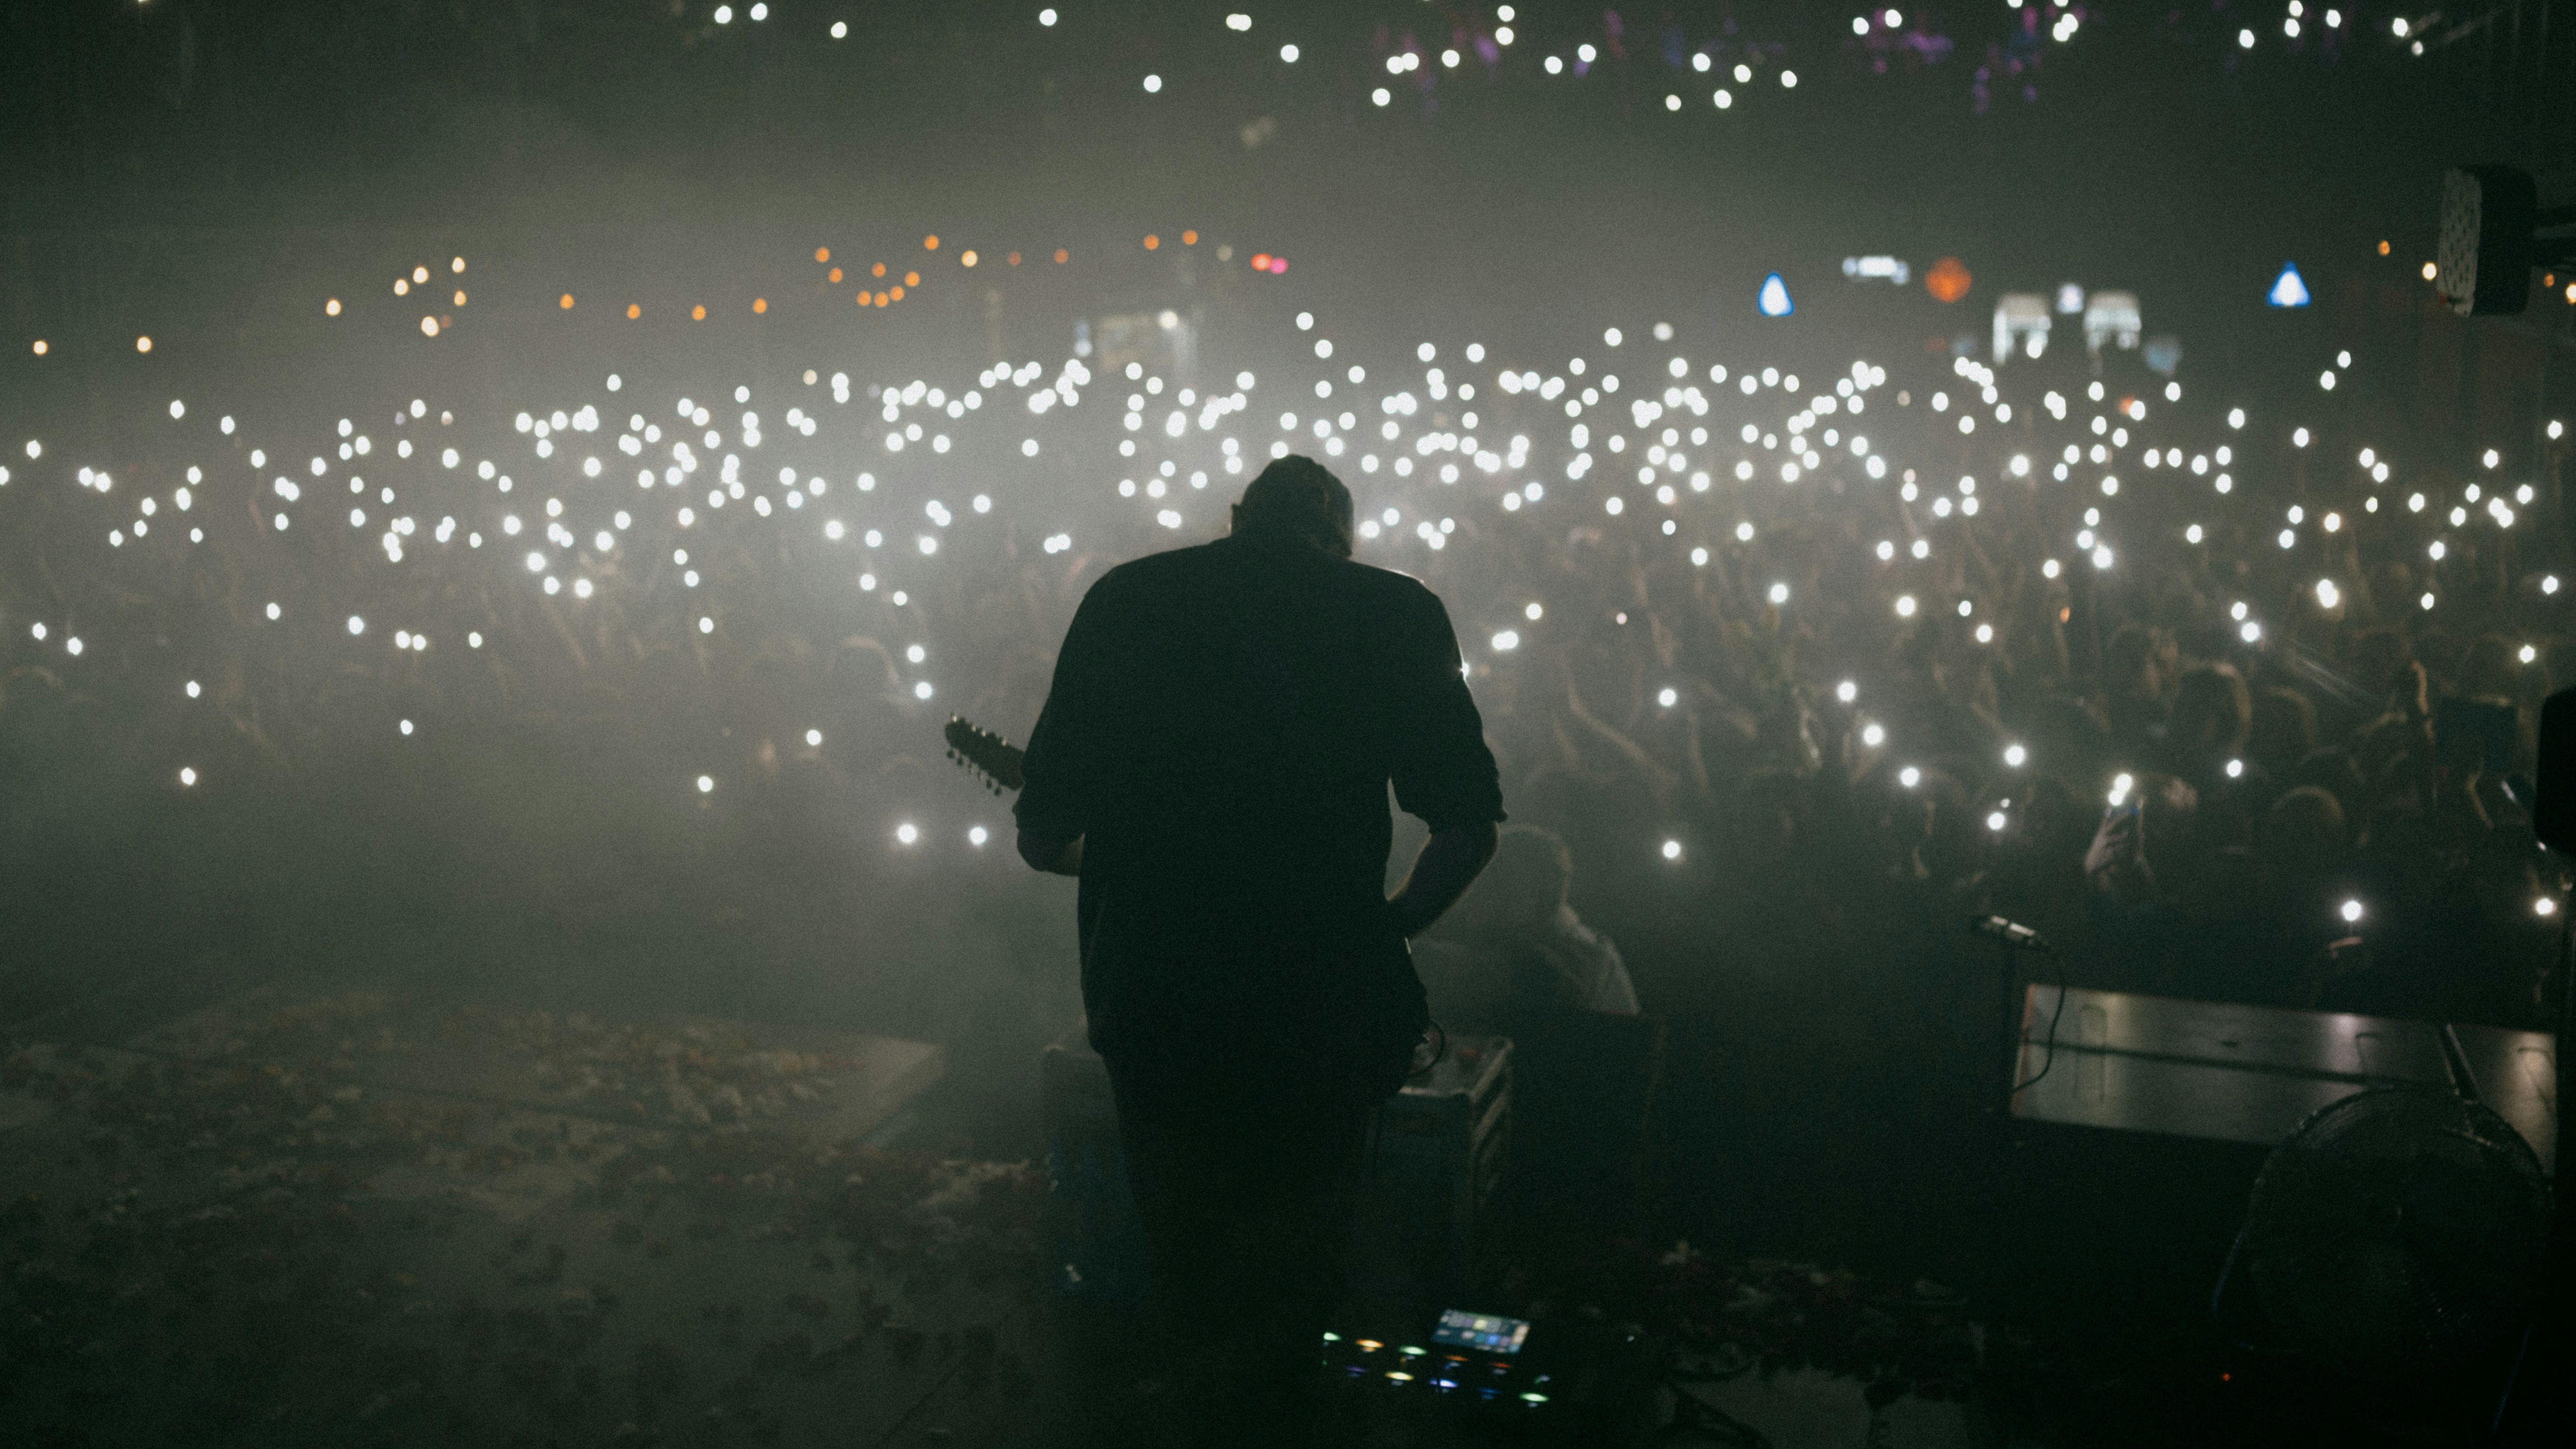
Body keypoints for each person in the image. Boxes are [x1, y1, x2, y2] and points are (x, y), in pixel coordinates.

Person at [1013, 455, 1504, 1447]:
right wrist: (1388, 927)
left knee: (1188, 1266)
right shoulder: (1397, 612)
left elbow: (1042, 831)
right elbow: (1468, 826)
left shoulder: (1127, 599)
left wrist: (1142, 859)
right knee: (1299, 1274)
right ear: (1343, 538)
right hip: (1318, 1006)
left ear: (1237, 516)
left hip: (1159, 998)